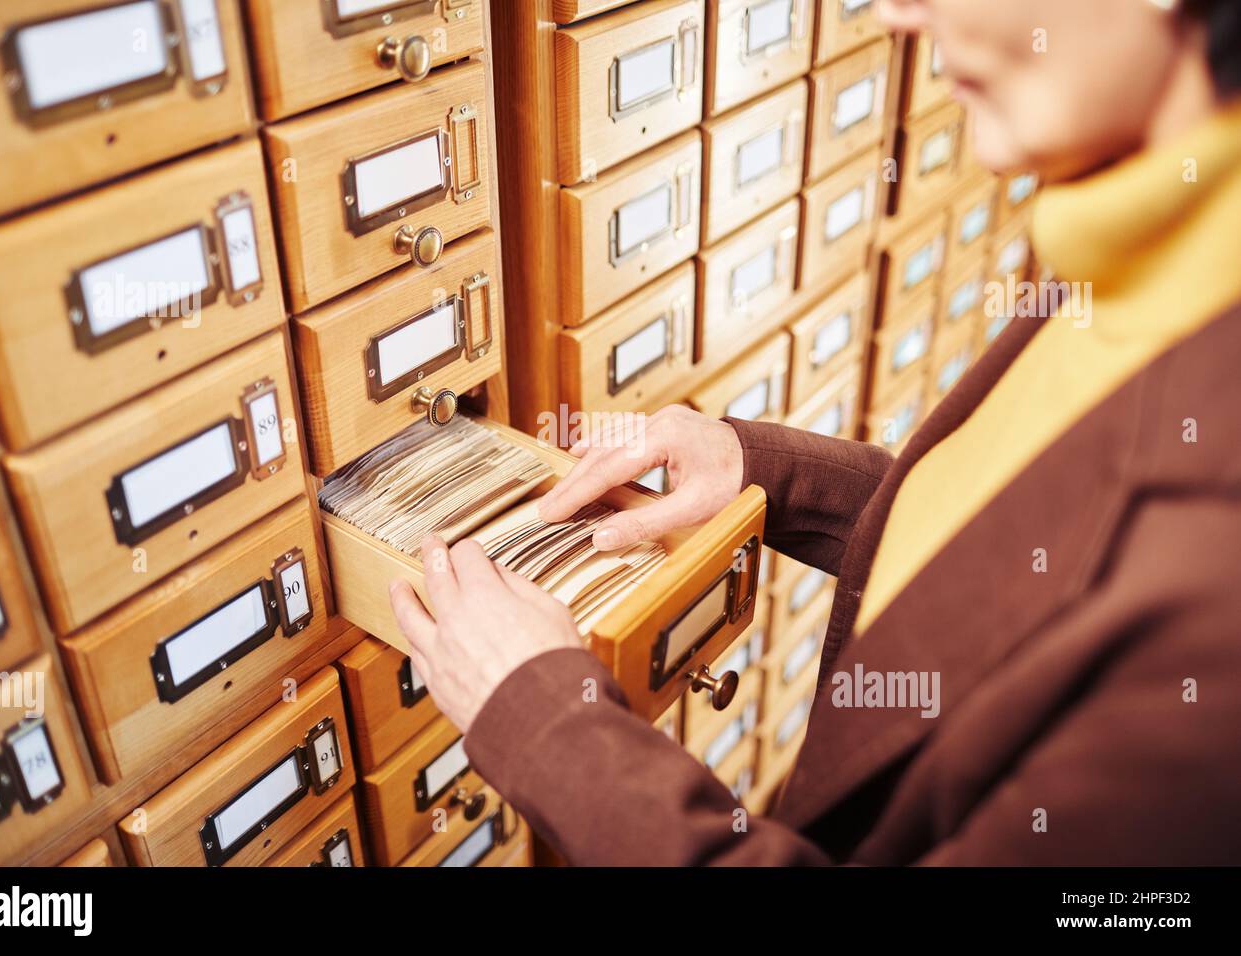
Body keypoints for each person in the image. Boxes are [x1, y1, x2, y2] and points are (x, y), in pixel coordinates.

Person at [388, 0, 1241, 865]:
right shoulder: (1160, 253)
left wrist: (550, 729)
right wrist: (765, 473)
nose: (900, 13)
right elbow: (1028, 547)